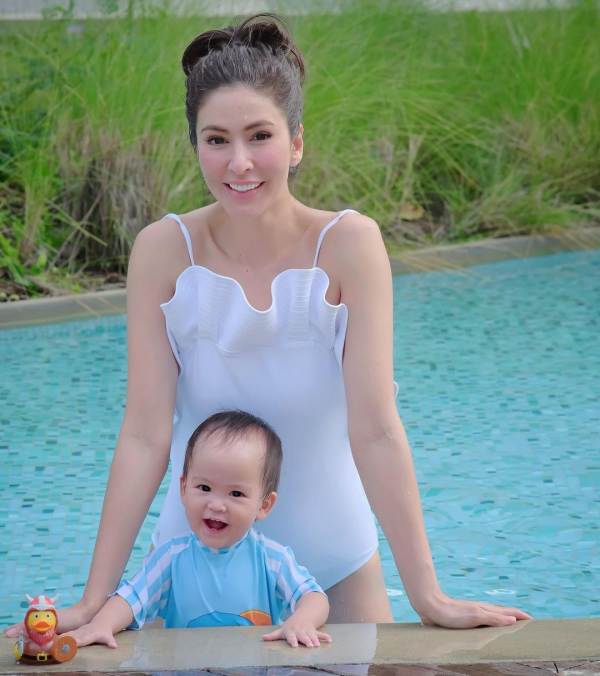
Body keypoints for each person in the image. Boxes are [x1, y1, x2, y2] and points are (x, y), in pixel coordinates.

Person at [6, 13, 530, 636]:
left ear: (297, 142)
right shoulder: (163, 251)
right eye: (216, 139)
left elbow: (376, 430)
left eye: (260, 136)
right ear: (196, 145)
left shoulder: (350, 245)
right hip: (192, 567)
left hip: (334, 566)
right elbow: (145, 434)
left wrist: (429, 595)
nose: (240, 162)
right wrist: (96, 599)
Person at [68, 411, 331, 649]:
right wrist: (102, 624)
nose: (216, 505)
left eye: (236, 493)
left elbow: (314, 597)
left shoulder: (271, 559)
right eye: (204, 488)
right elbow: (130, 597)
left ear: (264, 505)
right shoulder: (172, 558)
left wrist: (301, 620)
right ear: (183, 489)